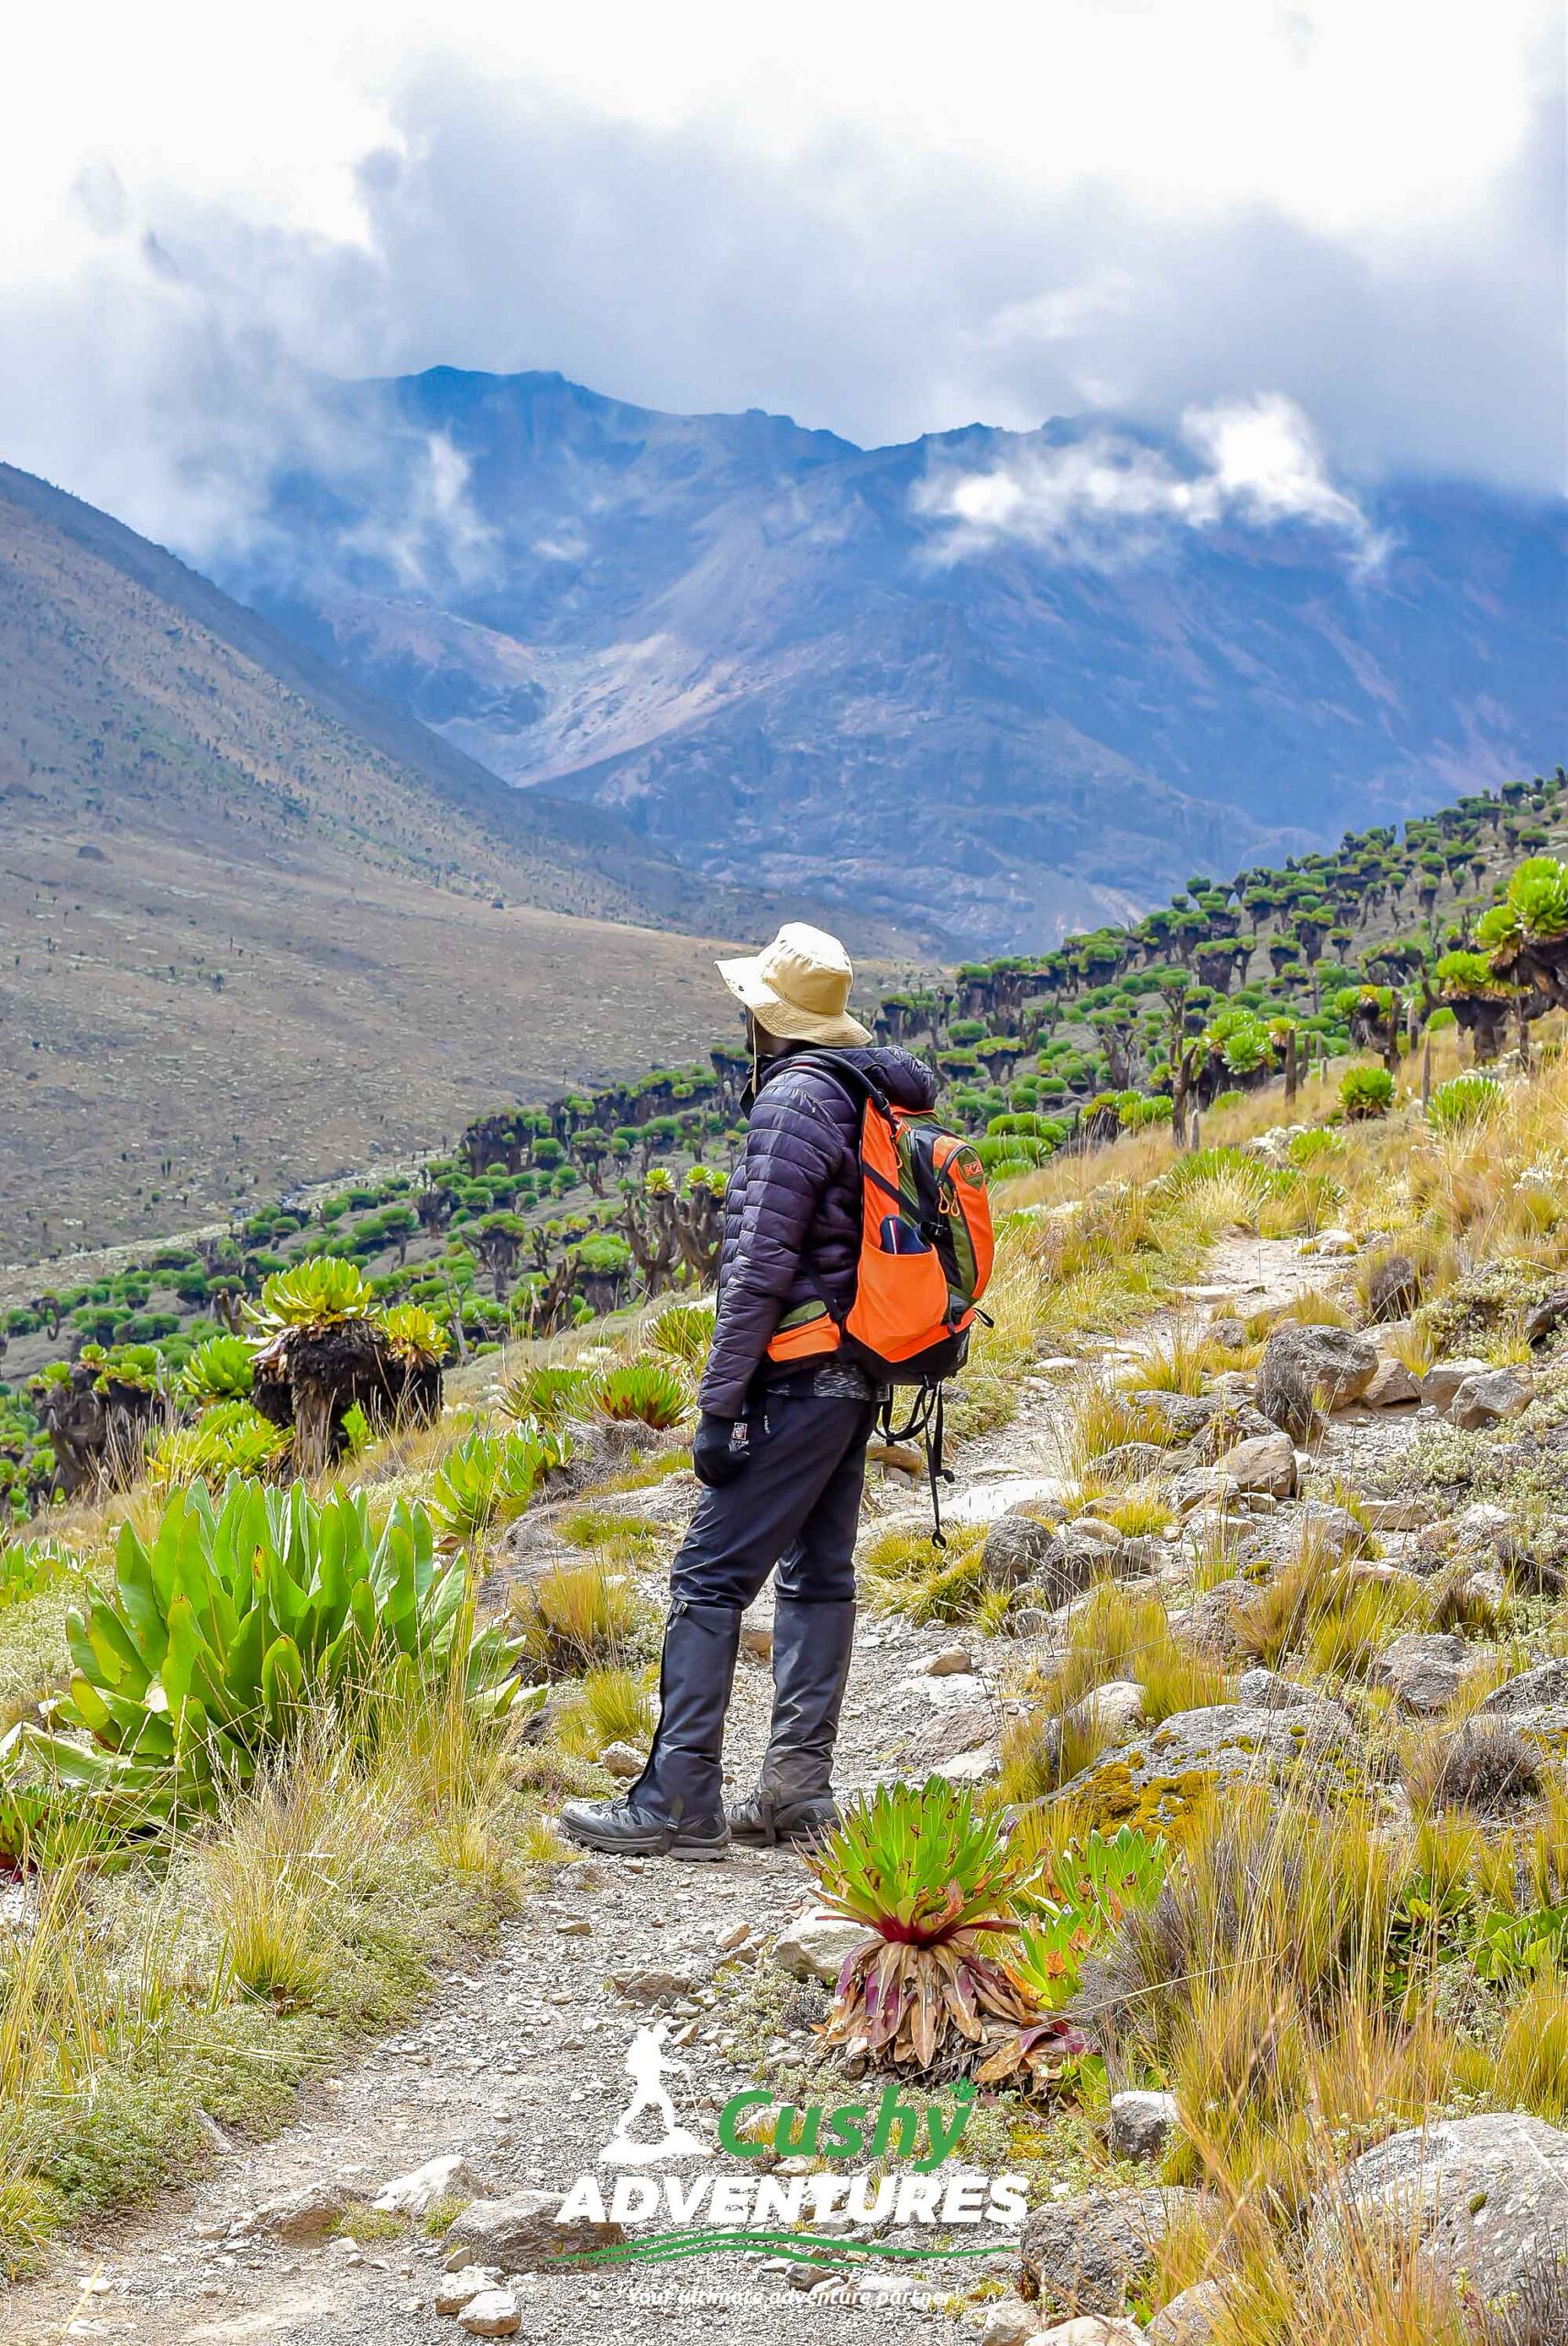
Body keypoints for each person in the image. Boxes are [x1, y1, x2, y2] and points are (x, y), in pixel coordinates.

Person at [560, 922, 938, 1860]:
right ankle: (795, 1789)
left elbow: (757, 1269)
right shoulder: (861, 1095)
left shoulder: (793, 1102)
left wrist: (718, 1406)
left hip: (797, 1376)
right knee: (819, 1571)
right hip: (856, 1375)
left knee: (706, 1576)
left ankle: (677, 1799)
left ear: (767, 1020)